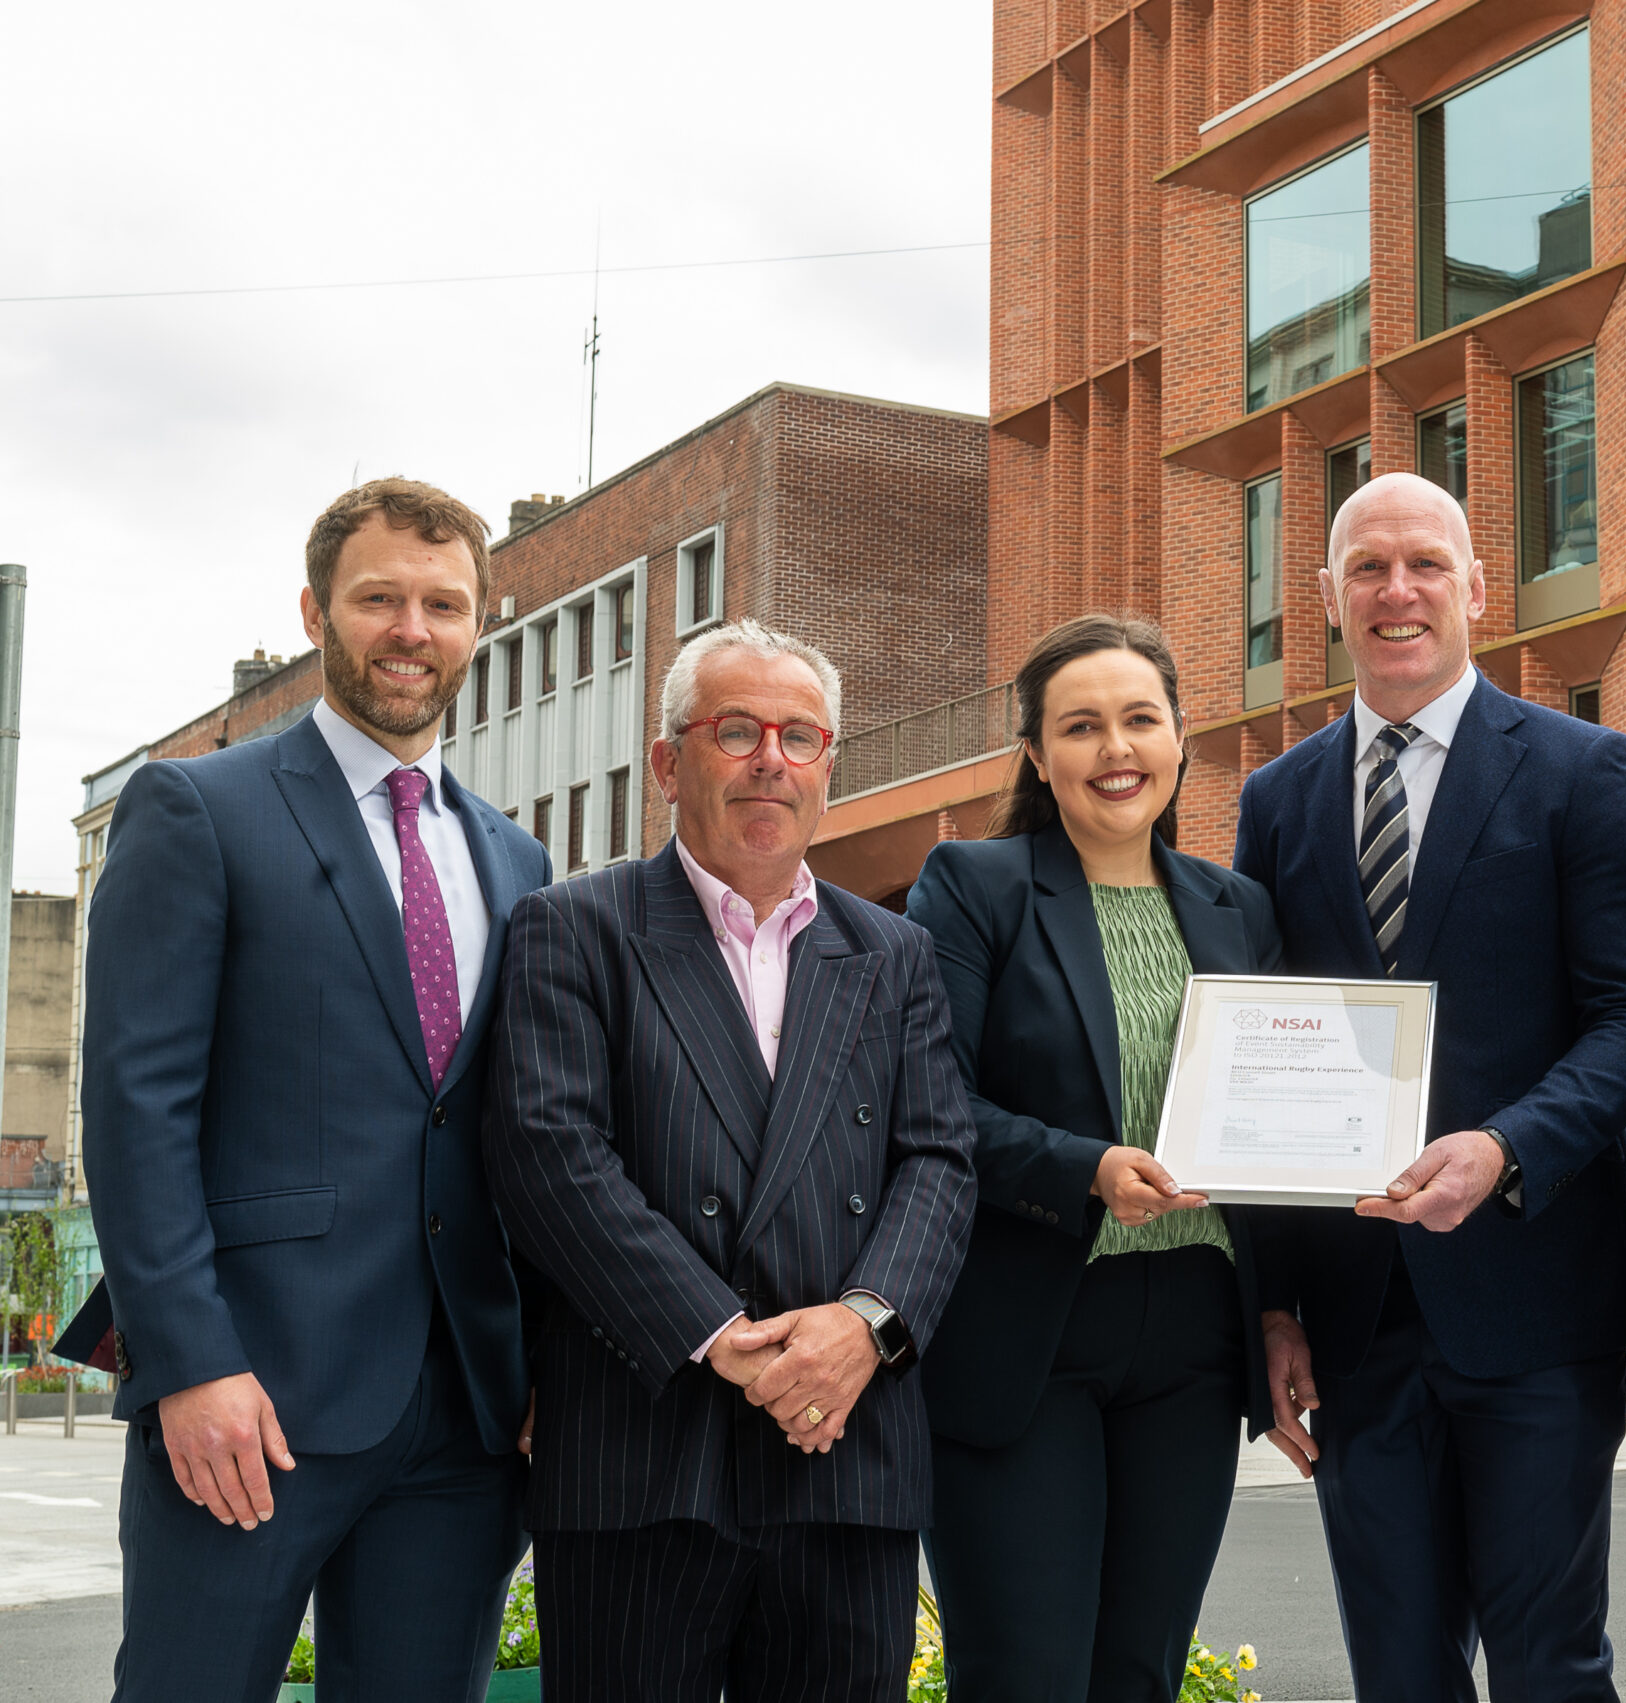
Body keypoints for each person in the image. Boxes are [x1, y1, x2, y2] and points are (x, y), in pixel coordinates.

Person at [70, 480, 547, 1702]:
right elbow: (138, 1108)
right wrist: (189, 1361)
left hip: (461, 1415)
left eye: (443, 603)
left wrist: (539, 1363)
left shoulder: (513, 853)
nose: (411, 629)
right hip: (250, 1400)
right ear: (314, 612)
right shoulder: (198, 808)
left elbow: (510, 1128)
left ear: (480, 623)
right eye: (378, 596)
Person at [1234, 471, 1626, 1701]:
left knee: (1550, 1663)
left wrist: (1505, 1147)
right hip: (1355, 1314)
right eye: (1367, 567)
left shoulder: (1585, 769)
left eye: (1425, 562)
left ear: (1476, 588)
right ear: (1327, 597)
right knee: (1397, 1670)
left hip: (1536, 1301)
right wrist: (1270, 1303)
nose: (1397, 590)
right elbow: (1265, 1059)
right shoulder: (1275, 801)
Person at [484, 619, 975, 1703]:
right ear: (667, 761)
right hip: (644, 1450)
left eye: (800, 736)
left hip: (842, 1445)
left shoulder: (890, 950)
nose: (771, 759)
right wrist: (721, 1337)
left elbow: (940, 1159)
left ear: (828, 765)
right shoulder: (572, 926)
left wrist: (866, 1323)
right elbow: (550, 1155)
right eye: (737, 729)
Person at [903, 614, 1284, 1703]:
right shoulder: (973, 886)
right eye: (1080, 726)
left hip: (1195, 1331)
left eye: (1138, 719)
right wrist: (1085, 1164)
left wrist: (1281, 1304)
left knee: (1138, 1671)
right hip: (1028, 1327)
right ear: (1037, 754)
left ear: (1178, 739)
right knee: (1026, 1673)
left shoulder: (1236, 904)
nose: (1115, 748)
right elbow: (928, 1102)